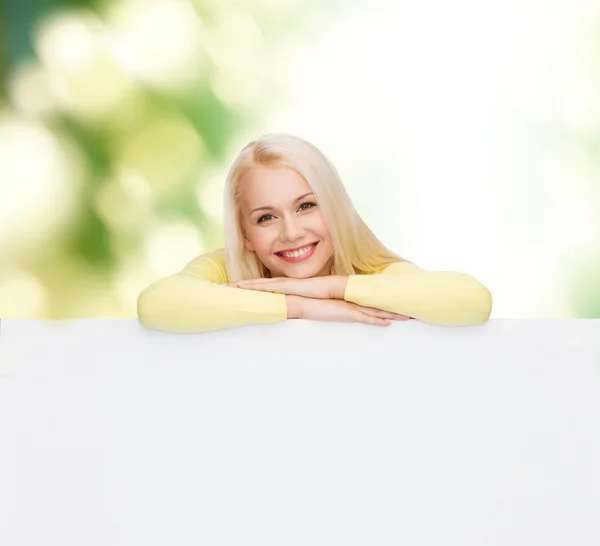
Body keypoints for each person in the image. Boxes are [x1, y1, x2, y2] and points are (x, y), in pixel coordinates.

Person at [137, 134, 492, 333]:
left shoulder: (371, 273)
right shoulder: (227, 270)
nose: (291, 232)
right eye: (266, 218)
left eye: (307, 206)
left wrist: (330, 289)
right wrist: (300, 307)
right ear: (244, 233)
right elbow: (157, 304)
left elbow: (472, 300)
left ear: (334, 206)